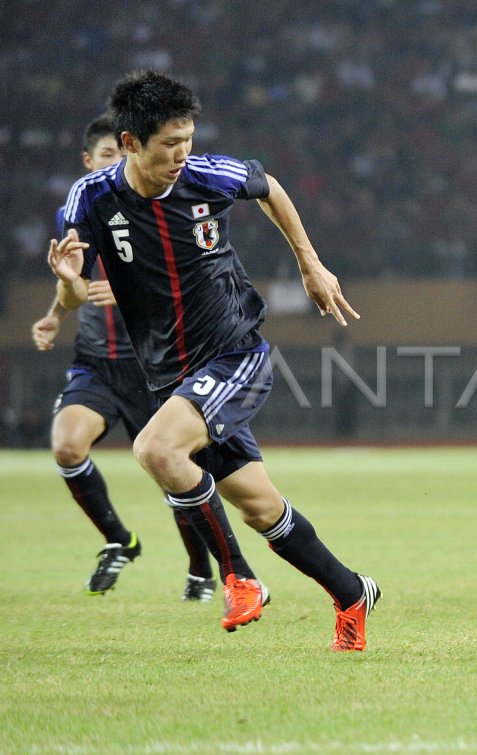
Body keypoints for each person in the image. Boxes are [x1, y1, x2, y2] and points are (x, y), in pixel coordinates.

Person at [47, 70, 378, 650]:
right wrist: (71, 286)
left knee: (155, 449)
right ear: (129, 144)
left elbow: (269, 185)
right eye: (168, 145)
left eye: (188, 140)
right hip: (172, 374)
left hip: (233, 354)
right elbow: (74, 292)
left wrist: (309, 263)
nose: (182, 155)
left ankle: (240, 578)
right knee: (259, 507)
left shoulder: (208, 175)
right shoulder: (92, 199)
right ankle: (351, 591)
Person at [33, 115, 229, 601]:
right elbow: (76, 280)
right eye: (106, 157)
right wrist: (60, 308)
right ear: (89, 162)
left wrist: (132, 291)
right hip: (97, 360)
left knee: (170, 470)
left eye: (121, 157)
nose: (115, 165)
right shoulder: (83, 209)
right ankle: (119, 539)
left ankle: (201, 570)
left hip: (152, 362)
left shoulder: (158, 206)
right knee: (66, 446)